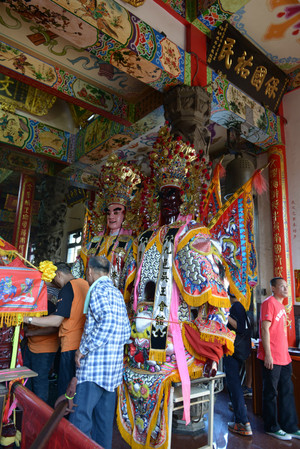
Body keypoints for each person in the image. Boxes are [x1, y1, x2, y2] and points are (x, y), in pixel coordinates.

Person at [117, 125, 244, 449]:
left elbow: (214, 297)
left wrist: (212, 347)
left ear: (184, 196)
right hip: (142, 338)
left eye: (174, 194)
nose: (169, 201)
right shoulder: (145, 239)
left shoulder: (194, 236)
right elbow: (131, 290)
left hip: (177, 339)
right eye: (163, 195)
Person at [69, 256, 131, 449]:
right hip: (112, 371)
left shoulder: (97, 290)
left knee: (80, 421)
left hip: (93, 371)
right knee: (103, 425)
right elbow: (126, 330)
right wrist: (112, 349)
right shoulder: (117, 293)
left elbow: (107, 324)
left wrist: (82, 349)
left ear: (89, 272)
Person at [72, 154, 141, 298]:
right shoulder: (94, 243)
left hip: (117, 299)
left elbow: (131, 275)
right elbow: (77, 270)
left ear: (126, 215)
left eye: (117, 212)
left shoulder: (130, 244)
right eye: (108, 212)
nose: (111, 216)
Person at [24, 262, 89, 397]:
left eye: (54, 280)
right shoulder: (84, 284)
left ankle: (58, 418)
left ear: (58, 274)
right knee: (74, 390)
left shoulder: (67, 288)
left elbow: (56, 321)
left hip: (70, 343)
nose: (55, 284)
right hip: (81, 343)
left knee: (64, 390)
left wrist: (27, 319)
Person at [257, 277, 300, 440]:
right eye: (281, 286)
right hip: (272, 357)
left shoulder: (281, 305)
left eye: (286, 286)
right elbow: (265, 330)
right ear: (273, 288)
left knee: (287, 392)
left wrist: (286, 354)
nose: (285, 289)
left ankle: (289, 426)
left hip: (284, 357)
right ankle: (271, 426)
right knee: (270, 392)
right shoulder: (269, 302)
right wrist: (268, 354)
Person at [22, 286, 60, 403]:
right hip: (31, 346)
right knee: (27, 380)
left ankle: (40, 414)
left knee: (40, 382)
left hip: (45, 349)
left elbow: (54, 328)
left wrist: (31, 333)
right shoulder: (33, 305)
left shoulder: (50, 305)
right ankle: (27, 408)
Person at [224, 290, 252, 436]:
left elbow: (239, 327)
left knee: (233, 383)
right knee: (235, 384)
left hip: (233, 351)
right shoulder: (241, 307)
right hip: (241, 351)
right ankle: (238, 407)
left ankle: (242, 421)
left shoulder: (236, 307)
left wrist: (224, 315)